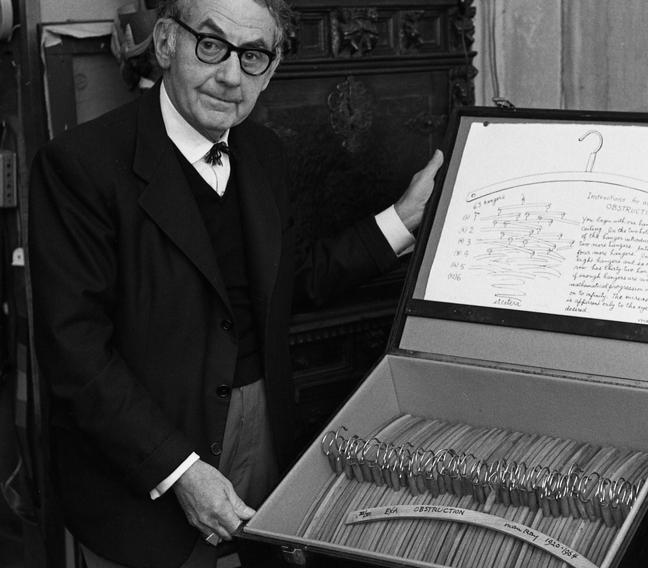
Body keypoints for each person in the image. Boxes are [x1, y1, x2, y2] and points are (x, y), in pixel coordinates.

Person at [26, 0, 443, 566]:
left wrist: (401, 220)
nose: (229, 75)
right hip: (148, 457)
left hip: (266, 424)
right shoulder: (81, 164)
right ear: (167, 43)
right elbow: (74, 352)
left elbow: (290, 280)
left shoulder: (265, 153)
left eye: (252, 56)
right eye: (211, 45)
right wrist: (177, 469)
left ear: (269, 72)